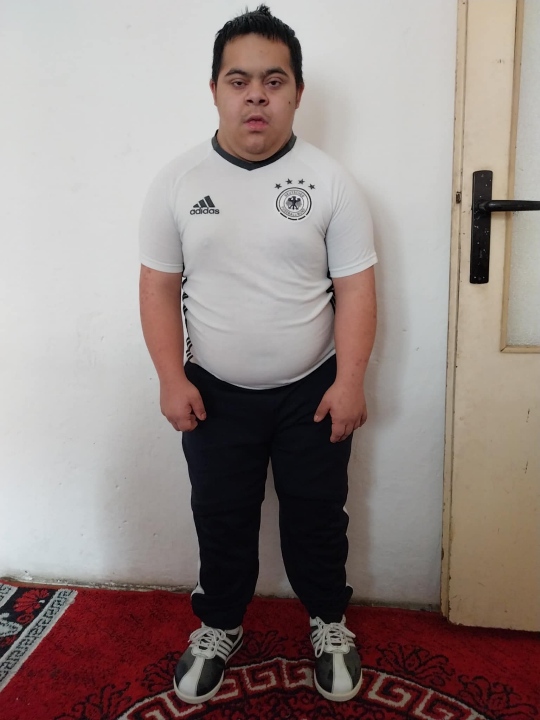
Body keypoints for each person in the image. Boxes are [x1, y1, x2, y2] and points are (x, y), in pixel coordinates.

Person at [139, 4, 377, 705]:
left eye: (273, 81)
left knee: (317, 513)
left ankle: (328, 621)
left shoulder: (331, 181)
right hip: (213, 392)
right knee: (221, 515)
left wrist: (351, 381)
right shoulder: (178, 181)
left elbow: (356, 291)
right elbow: (158, 287)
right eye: (238, 80)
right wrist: (170, 377)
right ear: (214, 89)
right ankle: (219, 624)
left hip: (313, 390)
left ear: (297, 91)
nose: (255, 96)